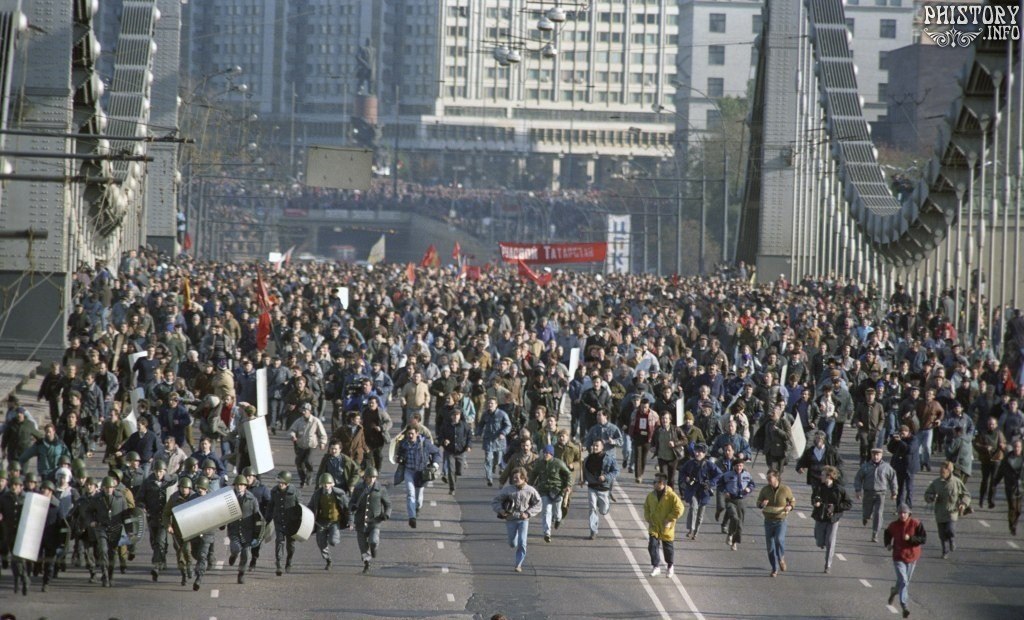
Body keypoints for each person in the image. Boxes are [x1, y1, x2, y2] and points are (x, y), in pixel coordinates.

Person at [491, 466, 542, 572]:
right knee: (512, 543)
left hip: (523, 520)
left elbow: (538, 504)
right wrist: (501, 510)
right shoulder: (507, 490)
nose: (514, 480)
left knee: (522, 542)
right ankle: (515, 540)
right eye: (513, 478)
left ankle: (518, 564)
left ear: (523, 478)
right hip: (510, 519)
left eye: (517, 478)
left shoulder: (530, 490)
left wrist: (528, 514)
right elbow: (495, 501)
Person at [81, 476, 130, 588]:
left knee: (113, 553)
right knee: (103, 550)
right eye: (106, 488)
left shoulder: (120, 498)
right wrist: (91, 521)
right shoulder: (97, 498)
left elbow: (126, 514)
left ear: (114, 488)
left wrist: (128, 529)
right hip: (101, 527)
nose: (108, 490)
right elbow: (88, 511)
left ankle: (111, 574)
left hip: (115, 528)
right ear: (102, 488)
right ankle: (105, 575)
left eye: (111, 487)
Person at [884, 504, 926, 619]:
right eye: (900, 513)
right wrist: (888, 544)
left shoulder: (916, 523)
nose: (902, 515)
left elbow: (923, 539)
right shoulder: (894, 525)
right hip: (898, 556)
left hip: (912, 557)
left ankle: (894, 591)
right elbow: (887, 533)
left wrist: (911, 538)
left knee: (903, 582)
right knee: (904, 580)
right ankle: (904, 606)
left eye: (904, 513)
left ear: (909, 514)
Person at [137, 459, 176, 581]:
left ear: (165, 471)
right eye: (156, 471)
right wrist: (142, 506)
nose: (158, 474)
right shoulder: (147, 483)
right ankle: (162, 558)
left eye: (161, 471)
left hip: (164, 517)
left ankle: (156, 566)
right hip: (152, 516)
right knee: (154, 542)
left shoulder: (170, 481)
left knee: (160, 540)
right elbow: (140, 498)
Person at [395, 425, 441, 528]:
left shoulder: (424, 444)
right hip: (409, 471)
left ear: (417, 434)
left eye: (412, 434)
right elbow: (398, 454)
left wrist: (434, 465)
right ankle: (412, 517)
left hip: (421, 473)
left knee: (419, 497)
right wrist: (399, 458)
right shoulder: (403, 444)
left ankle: (417, 508)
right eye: (409, 434)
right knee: (410, 494)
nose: (410, 436)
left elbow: (437, 452)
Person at [924, 461, 971, 558]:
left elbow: (966, 494)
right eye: (940, 470)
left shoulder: (956, 482)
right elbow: (927, 494)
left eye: (943, 470)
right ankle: (945, 551)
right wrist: (931, 497)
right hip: (940, 511)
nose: (941, 472)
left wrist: (963, 503)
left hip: (952, 511)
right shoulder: (936, 483)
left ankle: (952, 539)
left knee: (950, 529)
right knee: (942, 534)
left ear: (949, 471)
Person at [350, 466, 391, 574]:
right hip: (360, 521)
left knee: (373, 540)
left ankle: (373, 548)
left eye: (374, 477)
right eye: (369, 477)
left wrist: (386, 514)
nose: (372, 479)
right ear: (365, 478)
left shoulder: (381, 489)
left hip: (375, 521)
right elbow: (351, 502)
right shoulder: (358, 488)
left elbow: (388, 504)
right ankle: (367, 563)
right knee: (363, 546)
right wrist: (352, 507)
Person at [811, 465, 852, 573]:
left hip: (833, 518)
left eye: (823, 475)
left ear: (830, 476)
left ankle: (827, 564)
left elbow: (848, 504)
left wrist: (836, 507)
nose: (821, 477)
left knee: (830, 541)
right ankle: (821, 543)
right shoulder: (819, 487)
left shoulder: (839, 489)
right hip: (820, 516)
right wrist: (816, 502)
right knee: (819, 540)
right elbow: (814, 498)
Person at [643, 472, 685, 577]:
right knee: (652, 545)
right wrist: (648, 518)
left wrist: (670, 518)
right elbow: (646, 508)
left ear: (663, 483)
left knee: (668, 548)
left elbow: (680, 509)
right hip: (654, 525)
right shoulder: (651, 496)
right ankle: (656, 566)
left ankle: (670, 566)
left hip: (667, 527)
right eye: (654, 482)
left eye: (658, 482)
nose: (655, 484)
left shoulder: (671, 496)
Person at [854, 447, 898, 542]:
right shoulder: (865, 466)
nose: (876, 456)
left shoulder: (887, 467)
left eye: (878, 455)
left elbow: (893, 479)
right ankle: (866, 516)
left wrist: (894, 492)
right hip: (868, 493)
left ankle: (875, 533)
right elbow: (858, 478)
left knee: (878, 513)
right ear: (871, 455)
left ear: (881, 455)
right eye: (874, 454)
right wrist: (858, 490)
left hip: (881, 493)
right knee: (866, 511)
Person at [529, 444, 572, 543]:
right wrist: (529, 487)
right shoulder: (539, 464)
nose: (546, 454)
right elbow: (533, 475)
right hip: (544, 490)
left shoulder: (558, 463)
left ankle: (558, 519)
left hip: (557, 490)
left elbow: (568, 474)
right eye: (545, 452)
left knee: (557, 511)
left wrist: (568, 486)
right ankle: (547, 532)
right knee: (546, 511)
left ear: (552, 454)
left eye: (548, 453)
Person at [756, 469, 795, 577]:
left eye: (770, 478)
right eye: (767, 478)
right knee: (770, 547)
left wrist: (790, 506)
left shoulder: (785, 489)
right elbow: (758, 503)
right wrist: (762, 504)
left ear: (776, 478)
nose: (768, 480)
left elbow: (792, 500)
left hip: (780, 520)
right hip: (768, 521)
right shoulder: (765, 490)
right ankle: (774, 568)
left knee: (779, 539)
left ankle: (781, 558)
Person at [308, 472, 351, 570]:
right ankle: (328, 560)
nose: (326, 485)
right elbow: (310, 507)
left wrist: (350, 521)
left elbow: (348, 508)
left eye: (328, 483)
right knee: (321, 543)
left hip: (334, 522)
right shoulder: (317, 495)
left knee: (333, 541)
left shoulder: (339, 494)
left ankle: (333, 537)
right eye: (324, 483)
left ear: (332, 484)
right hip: (321, 522)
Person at [226, 474, 262, 584]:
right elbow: (223, 512)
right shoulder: (229, 498)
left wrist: (257, 534)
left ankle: (241, 573)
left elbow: (257, 516)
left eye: (242, 485)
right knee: (236, 548)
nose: (239, 487)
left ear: (246, 486)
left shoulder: (252, 499)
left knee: (246, 554)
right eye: (237, 485)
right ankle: (233, 555)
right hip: (234, 530)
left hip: (248, 532)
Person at [678, 442, 718, 540]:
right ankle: (691, 529)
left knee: (700, 513)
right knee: (693, 506)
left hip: (704, 491)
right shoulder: (689, 463)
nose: (697, 454)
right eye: (696, 451)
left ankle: (696, 532)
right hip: (692, 488)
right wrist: (686, 479)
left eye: (700, 452)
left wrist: (710, 483)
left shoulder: (709, 464)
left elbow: (718, 475)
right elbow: (681, 472)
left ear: (704, 454)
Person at [583, 438, 620, 539]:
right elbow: (584, 470)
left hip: (603, 488)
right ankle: (593, 531)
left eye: (597, 446)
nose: (594, 447)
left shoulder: (609, 458)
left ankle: (605, 505)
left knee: (603, 511)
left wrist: (605, 477)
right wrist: (582, 479)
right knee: (592, 508)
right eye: (593, 445)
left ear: (602, 447)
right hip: (592, 487)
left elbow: (616, 471)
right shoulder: (588, 459)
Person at [267, 470, 302, 575]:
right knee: (279, 541)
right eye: (279, 482)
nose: (280, 485)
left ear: (287, 483)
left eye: (282, 483)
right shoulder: (274, 491)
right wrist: (267, 518)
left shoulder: (295, 492)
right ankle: (278, 564)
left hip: (292, 522)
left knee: (290, 545)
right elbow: (270, 505)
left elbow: (300, 506)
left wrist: (301, 520)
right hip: (279, 521)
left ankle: (289, 561)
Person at [162, 476, 194, 586]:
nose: (184, 489)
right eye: (182, 487)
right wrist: (168, 526)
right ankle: (183, 574)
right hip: (177, 531)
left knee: (187, 550)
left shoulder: (194, 497)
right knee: (180, 555)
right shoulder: (173, 498)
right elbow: (166, 514)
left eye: (186, 488)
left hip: (190, 530)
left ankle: (189, 567)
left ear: (190, 488)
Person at [718, 457, 754, 550]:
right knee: (734, 517)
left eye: (741, 465)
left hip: (741, 500)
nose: (739, 468)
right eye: (737, 466)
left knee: (740, 524)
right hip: (731, 500)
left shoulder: (747, 475)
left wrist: (749, 489)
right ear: (734, 466)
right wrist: (725, 491)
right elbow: (720, 484)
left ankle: (734, 542)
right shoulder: (727, 475)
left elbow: (752, 484)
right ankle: (730, 534)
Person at [289, 402, 328, 488]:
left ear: (310, 411)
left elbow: (322, 434)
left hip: (311, 445)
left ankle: (309, 476)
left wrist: (322, 442)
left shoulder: (315, 421)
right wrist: (293, 435)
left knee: (308, 461)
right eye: (302, 410)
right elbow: (292, 430)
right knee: (299, 463)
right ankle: (303, 480)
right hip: (300, 445)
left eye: (305, 410)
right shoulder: (299, 421)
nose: (303, 412)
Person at [973, 416, 1007, 509]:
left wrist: (1003, 446)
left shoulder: (999, 433)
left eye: (993, 424)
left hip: (996, 459)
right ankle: (981, 499)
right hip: (986, 459)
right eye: (989, 424)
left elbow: (1004, 445)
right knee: (985, 480)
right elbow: (976, 444)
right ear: (987, 425)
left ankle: (991, 501)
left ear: (996, 425)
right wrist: (985, 447)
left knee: (994, 481)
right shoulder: (983, 434)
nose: (991, 426)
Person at [438, 407, 473, 495]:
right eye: (454, 415)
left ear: (460, 416)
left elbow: (469, 437)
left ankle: (455, 476)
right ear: (451, 416)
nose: (455, 417)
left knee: (459, 471)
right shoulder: (445, 426)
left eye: (457, 415)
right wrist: (444, 441)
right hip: (449, 451)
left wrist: (468, 446)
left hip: (461, 451)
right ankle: (452, 488)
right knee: (450, 470)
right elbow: (440, 437)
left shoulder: (465, 425)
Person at [993, 438, 1023, 535]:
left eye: (1018, 447)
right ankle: (1012, 525)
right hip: (1010, 486)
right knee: (1012, 507)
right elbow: (1001, 471)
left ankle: (1015, 522)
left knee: (1018, 510)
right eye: (1015, 447)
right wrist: (995, 482)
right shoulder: (1007, 459)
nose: (1016, 449)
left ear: (1021, 448)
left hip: (1021, 487)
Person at [478, 398, 512, 487]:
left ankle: (495, 465)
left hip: (499, 441)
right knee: (488, 459)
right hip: (488, 440)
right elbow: (481, 424)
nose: (490, 405)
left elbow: (508, 425)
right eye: (488, 403)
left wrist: (503, 433)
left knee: (498, 460)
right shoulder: (485, 414)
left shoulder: (502, 414)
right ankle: (489, 478)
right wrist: (478, 432)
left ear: (496, 405)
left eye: (492, 403)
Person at [888, 425, 921, 509]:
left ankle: (909, 506)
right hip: (899, 466)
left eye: (903, 433)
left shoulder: (914, 439)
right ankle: (899, 507)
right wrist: (893, 440)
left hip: (910, 467)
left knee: (909, 488)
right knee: (900, 489)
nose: (901, 435)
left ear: (908, 432)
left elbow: (909, 449)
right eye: (900, 433)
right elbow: (890, 449)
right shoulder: (899, 439)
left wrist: (900, 441)